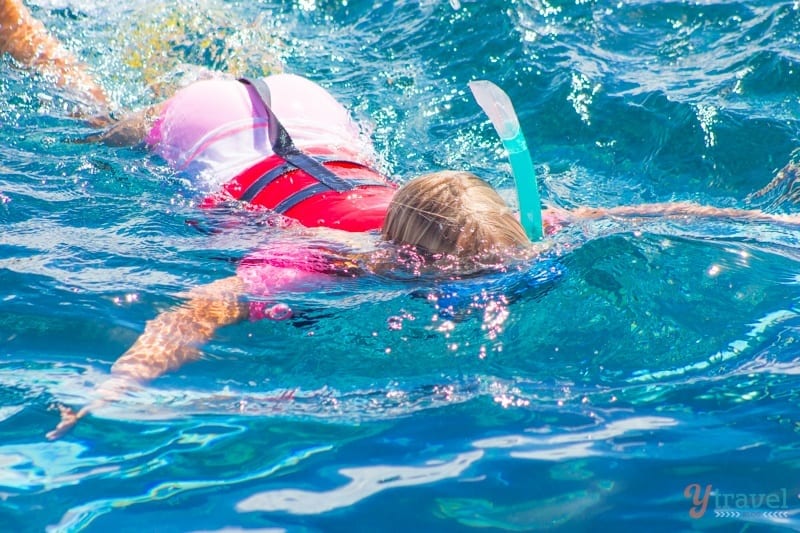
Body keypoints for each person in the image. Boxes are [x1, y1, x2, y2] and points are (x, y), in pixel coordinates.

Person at [2, 0, 797, 439]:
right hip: (207, 131)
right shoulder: (319, 257)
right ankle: (26, 34)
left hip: (309, 113)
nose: (491, 282)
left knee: (185, 83)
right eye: (471, 277)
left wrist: (757, 213)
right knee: (97, 117)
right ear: (404, 259)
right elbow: (202, 307)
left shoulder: (492, 227)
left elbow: (628, 211)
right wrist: (110, 391)